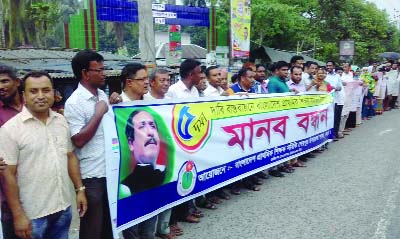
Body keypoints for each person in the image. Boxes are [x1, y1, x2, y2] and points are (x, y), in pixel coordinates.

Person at [0, 71, 87, 239]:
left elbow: (70, 156)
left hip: (62, 208)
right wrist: (18, 215)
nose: (40, 96)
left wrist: (80, 190)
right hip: (32, 215)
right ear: (24, 95)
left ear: (53, 93)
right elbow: (7, 175)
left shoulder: (61, 121)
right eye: (33, 91)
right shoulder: (10, 130)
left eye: (46, 90)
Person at [63, 49, 113, 239]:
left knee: (109, 226)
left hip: (110, 171)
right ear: (85, 73)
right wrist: (98, 113)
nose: (104, 73)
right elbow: (79, 140)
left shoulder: (102, 94)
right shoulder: (74, 102)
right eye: (99, 70)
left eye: (103, 69)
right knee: (92, 227)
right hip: (92, 175)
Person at [0, 64, 24, 238]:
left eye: (4, 81)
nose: (0, 87)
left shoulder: (32, 104)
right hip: (8, 189)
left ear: (17, 82)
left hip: (39, 187)